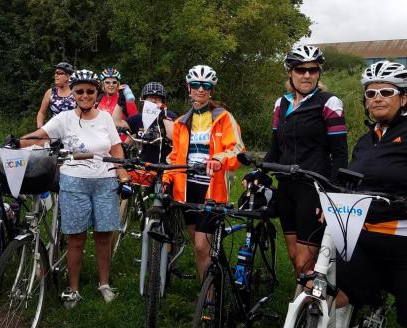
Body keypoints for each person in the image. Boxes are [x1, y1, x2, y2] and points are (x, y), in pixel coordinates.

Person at [336, 61, 407, 328]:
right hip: (365, 236)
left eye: (386, 92)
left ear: (404, 97)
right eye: (371, 94)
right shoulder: (365, 141)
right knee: (330, 291)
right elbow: (352, 185)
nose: (377, 98)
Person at [18, 69, 130, 308]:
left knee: (103, 236)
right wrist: (18, 142)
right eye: (80, 91)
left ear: (96, 93)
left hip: (104, 181)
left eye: (90, 91)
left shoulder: (105, 118)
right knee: (76, 238)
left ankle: (104, 284)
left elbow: (116, 148)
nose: (85, 95)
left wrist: (122, 174)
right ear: (74, 94)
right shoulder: (64, 118)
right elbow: (40, 135)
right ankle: (73, 288)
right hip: (74, 182)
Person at [258, 45, 348, 275]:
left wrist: (332, 195)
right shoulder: (282, 104)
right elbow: (275, 147)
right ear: (290, 72)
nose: (307, 75)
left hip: (313, 187)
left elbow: (339, 154)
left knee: (304, 263)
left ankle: (315, 305)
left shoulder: (328, 103)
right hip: (286, 187)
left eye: (313, 69)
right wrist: (259, 174)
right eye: (300, 69)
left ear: (319, 72)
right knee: (294, 257)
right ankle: (311, 302)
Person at [165, 65, 245, 278]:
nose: (201, 89)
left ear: (211, 89)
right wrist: (166, 177)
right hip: (186, 188)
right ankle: (206, 293)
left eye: (206, 85)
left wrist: (219, 159)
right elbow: (174, 156)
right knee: (199, 245)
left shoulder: (224, 117)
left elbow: (237, 150)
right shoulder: (180, 122)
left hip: (212, 188)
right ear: (188, 88)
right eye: (196, 85)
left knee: (202, 245)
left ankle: (209, 303)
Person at [125, 81, 176, 164]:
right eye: (150, 97)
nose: (153, 100)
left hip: (163, 166)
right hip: (142, 165)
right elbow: (117, 123)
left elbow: (171, 136)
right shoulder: (138, 117)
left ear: (162, 101)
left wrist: (164, 113)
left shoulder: (169, 115)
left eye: (157, 98)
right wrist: (120, 102)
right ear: (144, 99)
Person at [36, 62, 77, 128]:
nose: (55, 75)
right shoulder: (50, 92)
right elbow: (41, 112)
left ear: (68, 76)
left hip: (73, 133)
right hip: (55, 133)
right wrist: (40, 128)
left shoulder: (76, 92)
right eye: (55, 73)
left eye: (59, 73)